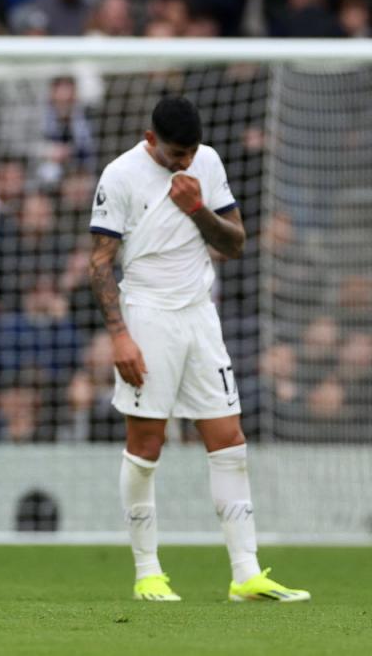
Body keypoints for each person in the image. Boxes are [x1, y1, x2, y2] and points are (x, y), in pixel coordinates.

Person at [87, 96, 309, 603]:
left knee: (229, 439)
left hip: (200, 315)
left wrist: (196, 207)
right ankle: (148, 572)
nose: (186, 161)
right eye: (176, 153)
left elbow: (234, 244)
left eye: (191, 151)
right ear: (150, 140)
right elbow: (99, 264)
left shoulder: (206, 162)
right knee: (146, 445)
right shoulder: (119, 175)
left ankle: (245, 574)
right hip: (147, 314)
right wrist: (120, 335)